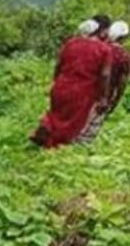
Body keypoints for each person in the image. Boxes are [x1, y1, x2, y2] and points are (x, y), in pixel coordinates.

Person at [31, 17, 115, 149]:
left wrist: (56, 82)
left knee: (56, 114)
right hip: (82, 91)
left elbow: (58, 66)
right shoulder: (104, 50)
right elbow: (105, 75)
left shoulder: (70, 44)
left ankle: (46, 131)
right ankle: (56, 148)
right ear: (101, 32)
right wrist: (104, 97)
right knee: (72, 123)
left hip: (62, 86)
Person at [77, 20, 129, 142]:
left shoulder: (99, 48)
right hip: (105, 94)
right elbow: (122, 82)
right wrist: (116, 99)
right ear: (124, 37)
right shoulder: (123, 56)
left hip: (86, 89)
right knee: (91, 129)